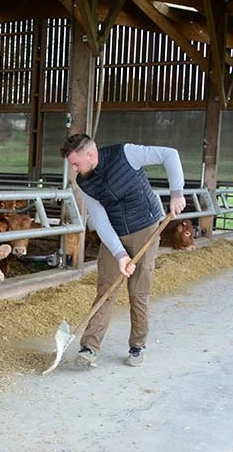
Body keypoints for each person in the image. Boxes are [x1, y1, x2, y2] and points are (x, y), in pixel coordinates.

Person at [60, 134, 187, 367]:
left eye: (76, 163)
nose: (74, 169)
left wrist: (177, 192)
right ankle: (89, 347)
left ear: (90, 154)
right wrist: (119, 254)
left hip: (145, 228)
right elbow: (99, 219)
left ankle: (137, 346)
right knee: (106, 288)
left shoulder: (125, 154)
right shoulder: (84, 182)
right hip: (114, 233)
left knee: (138, 291)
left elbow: (170, 154)